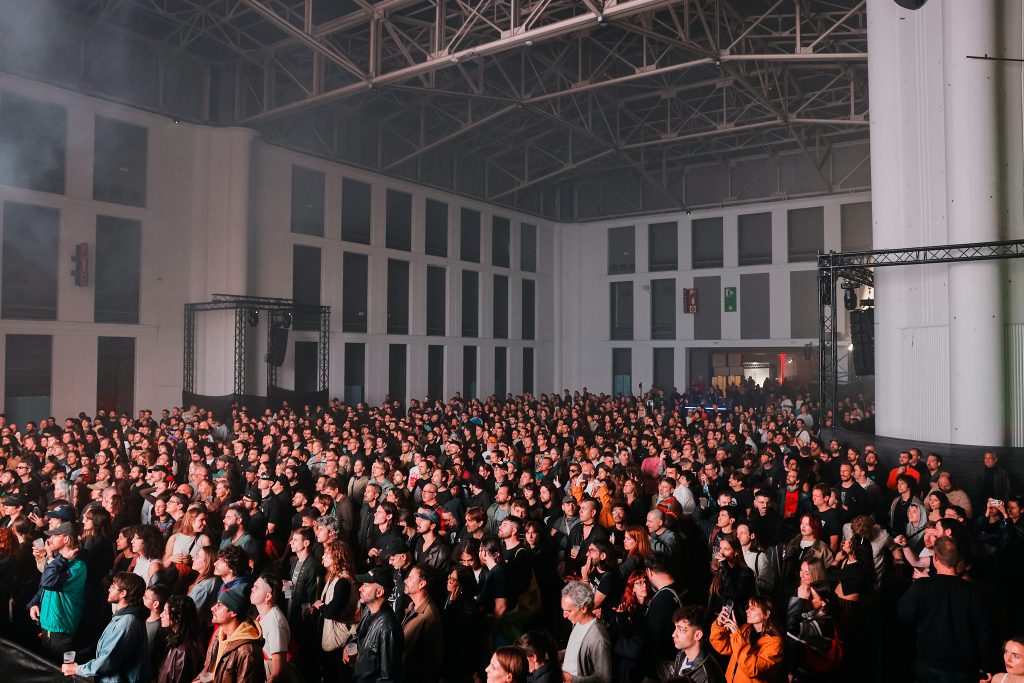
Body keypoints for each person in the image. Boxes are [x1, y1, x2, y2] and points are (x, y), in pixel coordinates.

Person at [897, 537, 991, 683]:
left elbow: (904, 615)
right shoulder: (975, 592)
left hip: (929, 661)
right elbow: (984, 632)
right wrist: (986, 666)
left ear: (935, 558)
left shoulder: (921, 586)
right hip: (963, 666)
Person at [61, 571, 150, 682]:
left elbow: (108, 661)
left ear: (123, 593)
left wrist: (77, 669)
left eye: (113, 587)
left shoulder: (127, 622)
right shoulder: (123, 617)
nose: (109, 589)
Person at [28, 521, 88, 660]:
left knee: (59, 673)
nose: (50, 539)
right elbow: (44, 586)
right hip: (47, 623)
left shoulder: (78, 566)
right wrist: (34, 602)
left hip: (62, 630)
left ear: (66, 539)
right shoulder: (60, 560)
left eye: (55, 535)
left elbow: (48, 581)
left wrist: (49, 558)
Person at [708, 596, 784, 683]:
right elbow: (724, 647)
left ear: (766, 614)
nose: (747, 611)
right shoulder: (746, 629)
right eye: (748, 607)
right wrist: (719, 625)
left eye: (753, 608)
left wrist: (736, 635)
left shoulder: (775, 643)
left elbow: (752, 669)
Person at [197, 587, 266, 683]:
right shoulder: (219, 635)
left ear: (233, 612)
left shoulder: (248, 652)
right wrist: (201, 681)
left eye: (219, 605)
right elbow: (210, 671)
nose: (213, 608)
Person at [348, 565, 403, 683]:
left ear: (379, 592)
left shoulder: (388, 628)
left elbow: (388, 677)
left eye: (366, 585)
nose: (360, 588)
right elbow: (362, 637)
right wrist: (352, 645)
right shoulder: (369, 610)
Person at [560, 581, 612, 683]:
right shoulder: (578, 622)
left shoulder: (598, 639)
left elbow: (604, 679)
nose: (564, 615)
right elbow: (576, 650)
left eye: (569, 611)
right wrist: (560, 655)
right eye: (563, 610)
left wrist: (572, 679)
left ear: (583, 608)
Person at [401, 563, 444, 682]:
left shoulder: (429, 616)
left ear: (422, 584)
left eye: (411, 578)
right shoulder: (412, 606)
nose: (405, 580)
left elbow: (434, 658)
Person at [665, 605, 726, 683]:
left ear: (697, 635)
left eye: (681, 630)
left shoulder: (707, 675)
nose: (674, 634)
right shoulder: (681, 656)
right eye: (676, 628)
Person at [250, 574, 292, 683]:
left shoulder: (275, 624)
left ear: (268, 597)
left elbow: (278, 671)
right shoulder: (262, 615)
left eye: (257, 588)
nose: (252, 589)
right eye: (254, 586)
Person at [154, 595, 205, 683]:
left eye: (165, 612)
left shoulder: (183, 650)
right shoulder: (177, 639)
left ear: (178, 617)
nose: (161, 615)